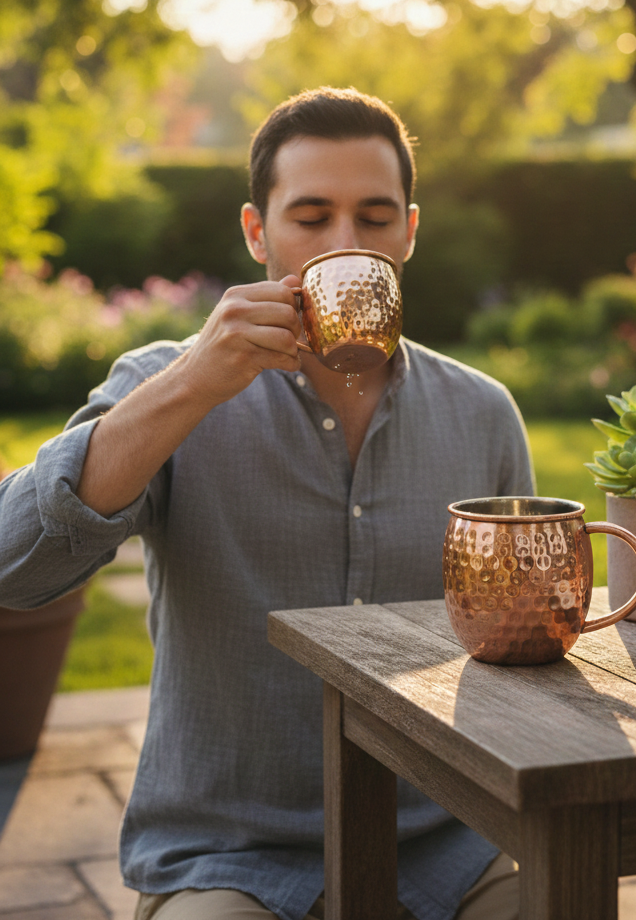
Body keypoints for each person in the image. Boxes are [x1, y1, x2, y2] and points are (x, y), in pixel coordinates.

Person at [0, 87, 532, 920]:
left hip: (442, 841)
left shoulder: (482, 412)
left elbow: (518, 643)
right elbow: (15, 569)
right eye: (312, 217)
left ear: (411, 233)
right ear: (258, 232)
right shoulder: (164, 385)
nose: (346, 245)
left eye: (376, 218)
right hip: (229, 855)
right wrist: (191, 386)